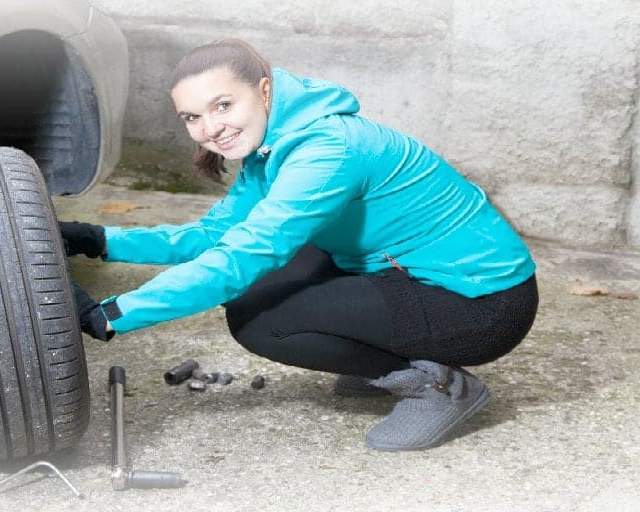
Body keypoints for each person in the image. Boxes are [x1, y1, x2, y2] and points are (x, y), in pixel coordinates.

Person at [61, 39, 538, 451]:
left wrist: (113, 314)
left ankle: (437, 387)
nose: (210, 129)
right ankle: (385, 349)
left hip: (481, 305)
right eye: (193, 117)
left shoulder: (328, 151)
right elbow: (215, 235)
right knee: (271, 278)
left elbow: (240, 259)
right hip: (404, 269)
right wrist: (100, 240)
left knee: (262, 320)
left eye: (222, 105)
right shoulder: (272, 144)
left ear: (263, 91)